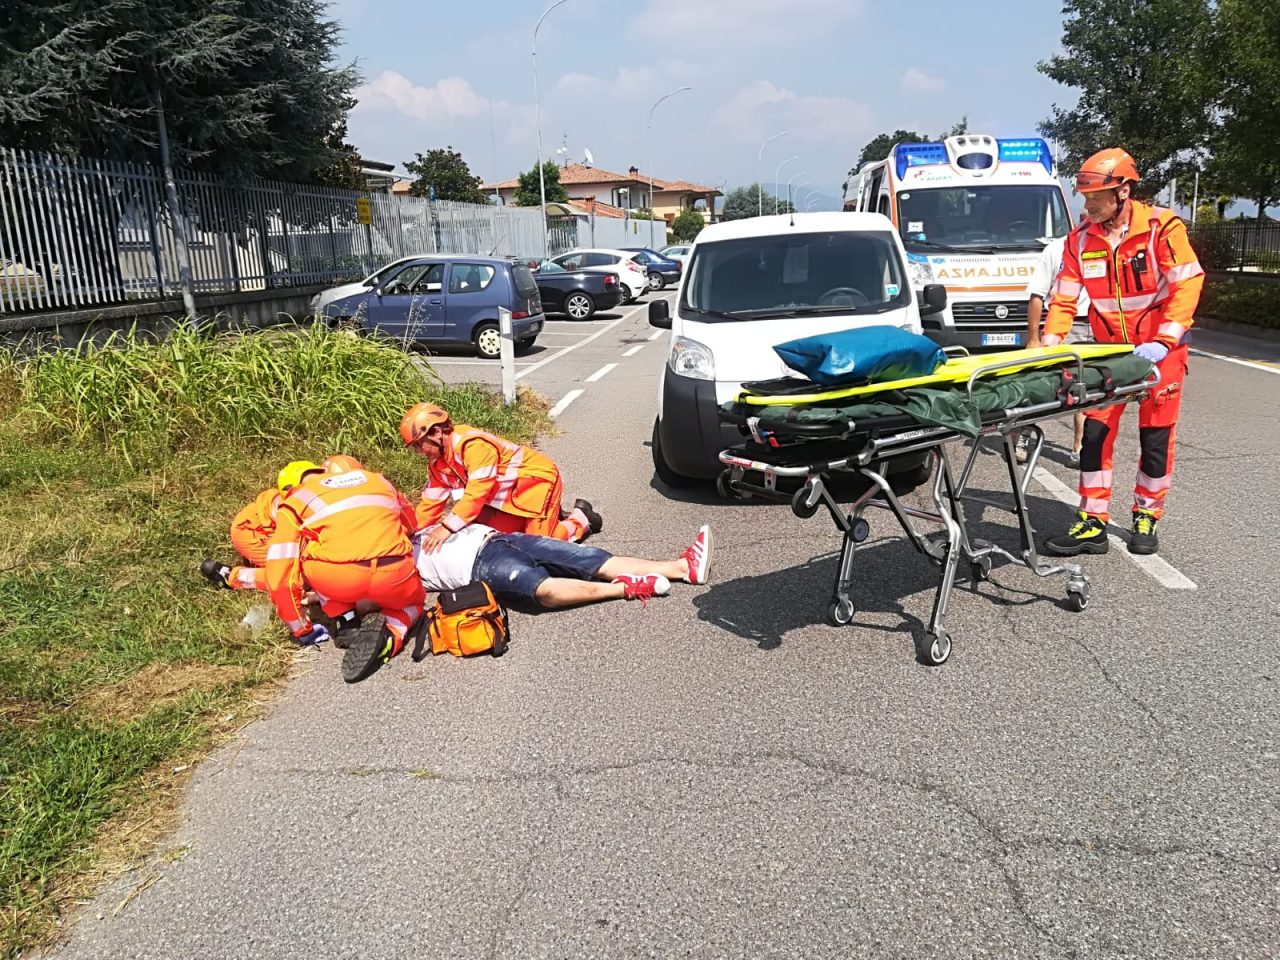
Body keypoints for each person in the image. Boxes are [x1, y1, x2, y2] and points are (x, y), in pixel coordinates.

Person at [1040, 148, 1203, 557]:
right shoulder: (1079, 240)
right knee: (1094, 433)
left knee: (1155, 437)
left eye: (1096, 196)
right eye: (1084, 196)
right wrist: (1050, 343)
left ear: (1124, 191)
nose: (1088, 204)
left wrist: (1164, 340)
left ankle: (1146, 514)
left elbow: (1187, 284)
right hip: (1109, 352)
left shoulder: (1161, 228)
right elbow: (1063, 297)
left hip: (1159, 352)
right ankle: (1092, 521)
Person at [339, 524, 714, 683]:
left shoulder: (409, 525)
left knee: (591, 558)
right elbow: (370, 600)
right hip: (481, 564)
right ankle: (627, 588)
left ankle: (683, 567)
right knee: (543, 590)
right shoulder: (382, 572)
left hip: (501, 538)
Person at [264, 459, 425, 683]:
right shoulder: (380, 480)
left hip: (338, 580)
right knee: (414, 604)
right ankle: (391, 633)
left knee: (306, 554)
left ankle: (345, 620)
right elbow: (411, 524)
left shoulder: (295, 500)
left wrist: (301, 628)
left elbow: (280, 570)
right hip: (393, 573)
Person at [400, 403, 602, 553]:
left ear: (436, 432)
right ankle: (547, 517)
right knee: (503, 540)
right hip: (511, 497)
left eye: (419, 445)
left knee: (539, 548)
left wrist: (446, 528)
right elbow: (429, 506)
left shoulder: (472, 445)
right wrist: (406, 536)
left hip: (537, 484)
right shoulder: (439, 463)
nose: (419, 452)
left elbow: (477, 493)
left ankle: (580, 519)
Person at [200, 455, 365, 592]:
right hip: (254, 532)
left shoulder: (324, 484)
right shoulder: (305, 497)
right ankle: (236, 576)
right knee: (304, 574)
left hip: (270, 524)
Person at [1017, 233, 1092, 465]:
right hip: (1062, 325)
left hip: (1097, 325)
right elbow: (1037, 295)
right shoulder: (1056, 249)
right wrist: (1032, 338)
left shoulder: (1109, 244)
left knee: (1087, 389)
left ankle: (1079, 447)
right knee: (1045, 385)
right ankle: (1023, 435)